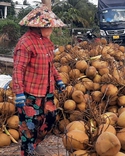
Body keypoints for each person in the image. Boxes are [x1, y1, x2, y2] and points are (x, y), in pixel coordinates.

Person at [12, 4, 66, 156]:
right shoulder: (25, 43)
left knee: (50, 119)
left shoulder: (47, 42)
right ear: (39, 26)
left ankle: (34, 144)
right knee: (29, 127)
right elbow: (18, 69)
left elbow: (50, 65)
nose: (52, 29)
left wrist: (58, 79)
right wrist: (19, 92)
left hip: (47, 91)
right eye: (50, 26)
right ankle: (27, 152)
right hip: (30, 94)